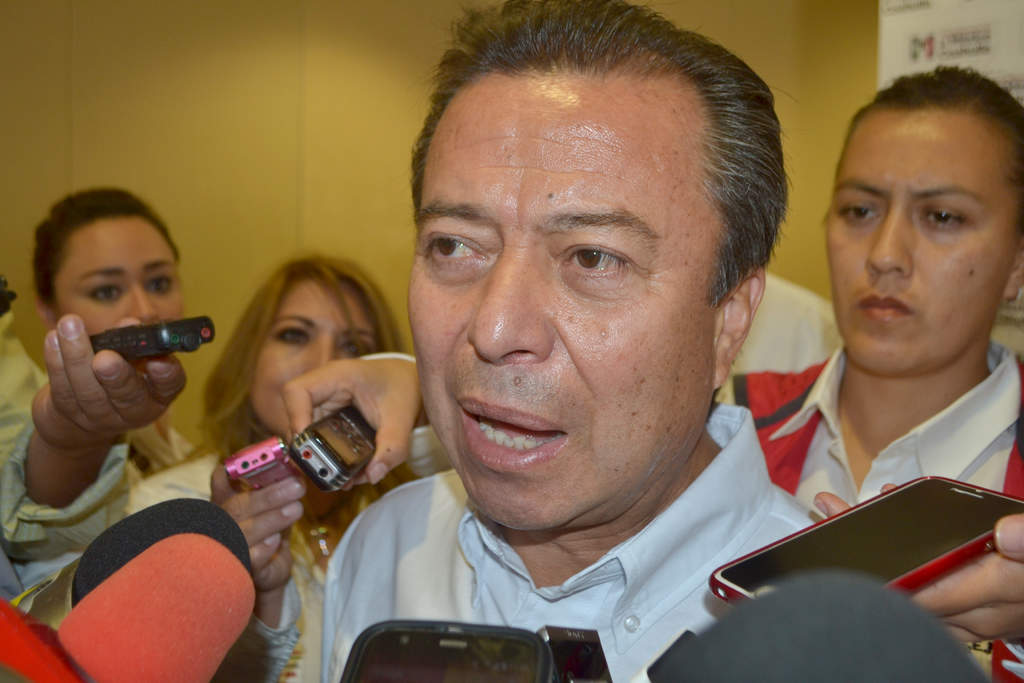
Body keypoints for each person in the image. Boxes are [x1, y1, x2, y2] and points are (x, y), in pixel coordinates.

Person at [228, 1, 812, 680]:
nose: (496, 329)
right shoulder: (387, 548)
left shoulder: (835, 634)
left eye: (592, 258)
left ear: (729, 320)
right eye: (454, 245)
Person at [727, 66, 1024, 676]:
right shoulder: (722, 427)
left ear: (1018, 262)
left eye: (942, 217)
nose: (885, 256)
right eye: (859, 210)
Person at [126, 256, 437, 682]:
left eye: (354, 347)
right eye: (294, 335)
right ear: (250, 358)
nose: (324, 363)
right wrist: (249, 600)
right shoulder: (171, 505)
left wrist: (416, 387)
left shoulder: (414, 513)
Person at [1, 188, 191, 588]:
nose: (144, 309)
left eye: (159, 283)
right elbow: (36, 513)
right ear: (47, 310)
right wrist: (74, 439)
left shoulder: (181, 447)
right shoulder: (25, 429)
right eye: (106, 291)